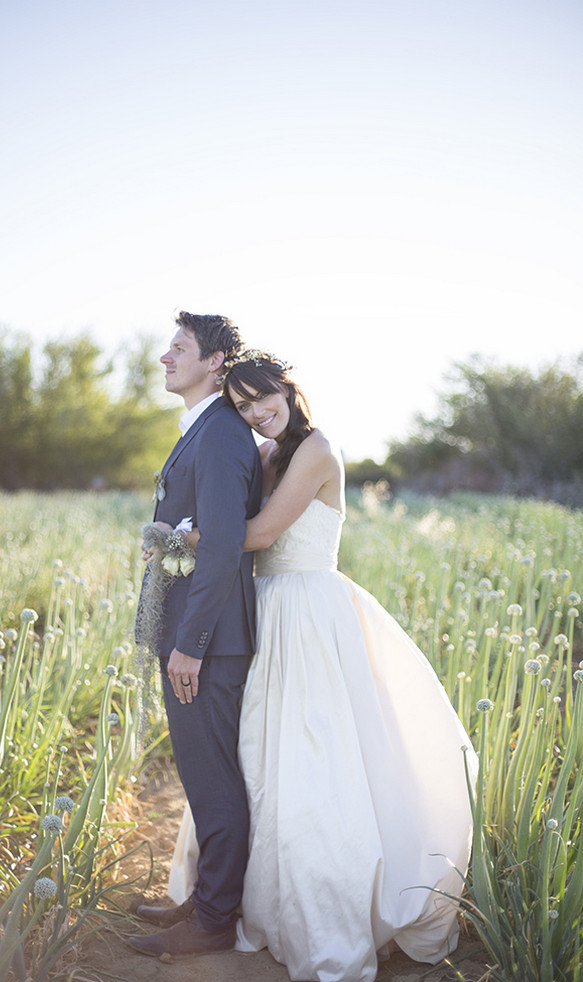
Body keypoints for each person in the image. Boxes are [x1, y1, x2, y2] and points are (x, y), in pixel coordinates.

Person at [164, 350, 477, 982]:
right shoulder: (261, 453)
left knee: (315, 754)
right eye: (244, 405)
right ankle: (236, 900)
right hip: (266, 610)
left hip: (308, 610)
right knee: (257, 754)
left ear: (288, 388)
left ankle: (324, 912)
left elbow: (255, 535)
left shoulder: (315, 450)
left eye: (264, 398)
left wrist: (181, 535)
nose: (257, 412)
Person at [127, 313, 262, 959]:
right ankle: (201, 900)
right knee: (201, 776)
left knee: (213, 781)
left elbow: (223, 549)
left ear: (215, 361)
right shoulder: (202, 431)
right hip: (193, 632)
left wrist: (191, 643)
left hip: (207, 639)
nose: (163, 357)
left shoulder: (219, 436)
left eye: (178, 348)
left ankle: (212, 923)